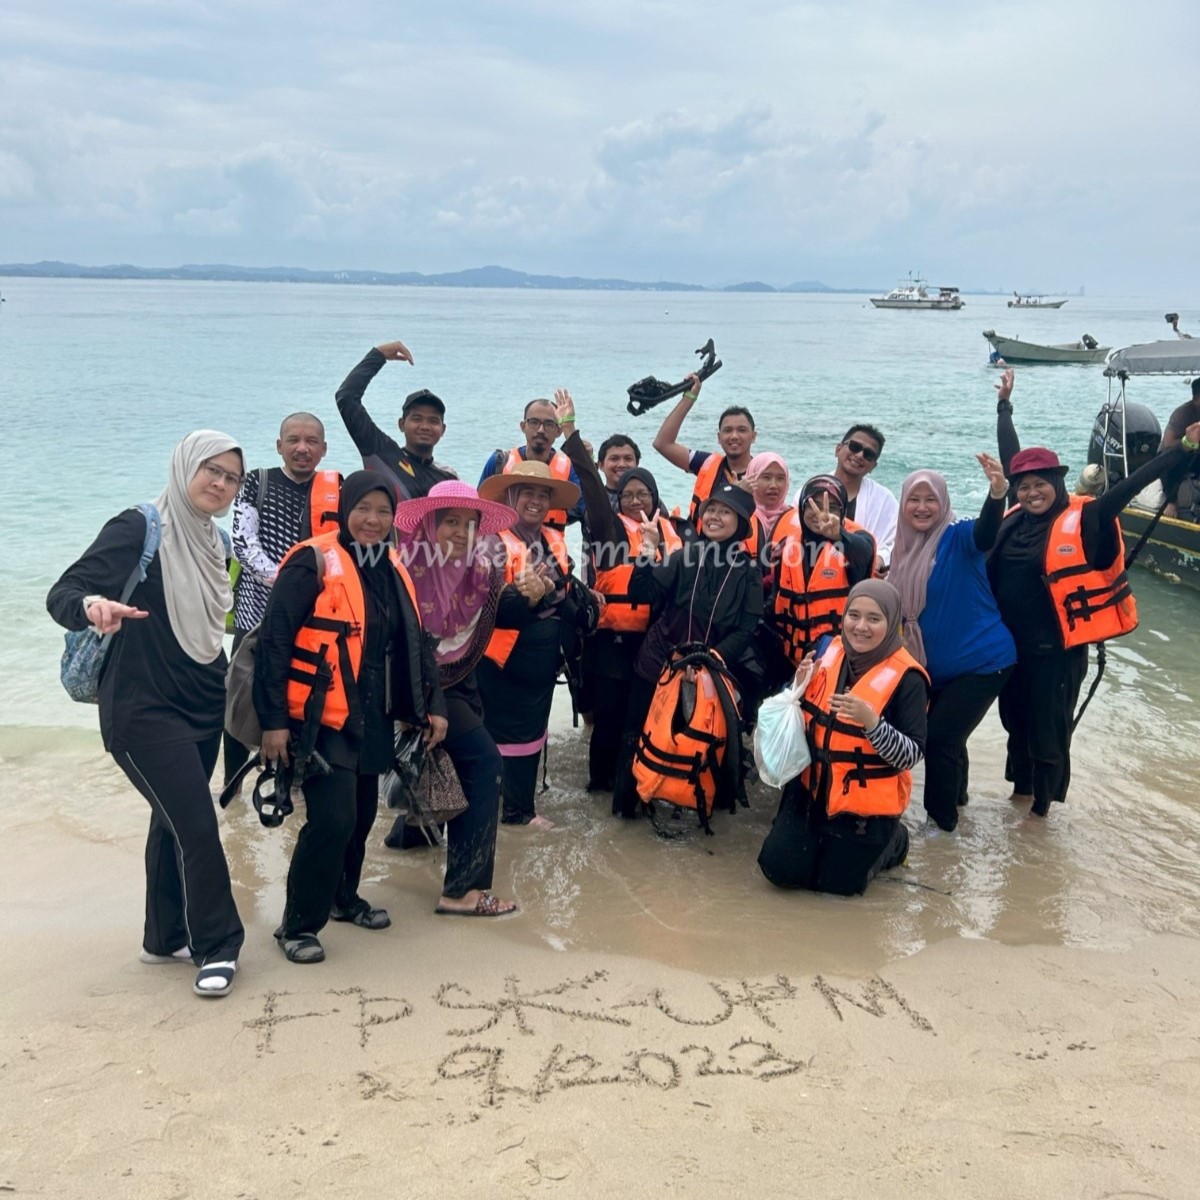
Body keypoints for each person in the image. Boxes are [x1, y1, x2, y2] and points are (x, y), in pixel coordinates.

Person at [47, 431, 247, 999]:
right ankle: (219, 944)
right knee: (198, 824)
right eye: (210, 469)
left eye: (231, 477)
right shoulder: (140, 526)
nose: (220, 483)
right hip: (141, 710)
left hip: (202, 704)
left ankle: (163, 939)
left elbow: (214, 627)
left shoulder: (218, 545)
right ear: (185, 466)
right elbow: (64, 591)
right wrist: (92, 607)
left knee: (171, 821)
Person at [253, 471, 447, 963]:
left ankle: (344, 898)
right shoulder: (311, 562)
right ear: (345, 509)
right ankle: (297, 925)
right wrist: (273, 722)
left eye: (384, 512)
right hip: (320, 717)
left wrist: (432, 706)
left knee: (360, 818)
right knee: (333, 820)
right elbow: (274, 643)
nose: (373, 520)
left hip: (373, 716)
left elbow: (416, 644)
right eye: (364, 509)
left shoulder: (392, 565)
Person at [991, 368, 1200, 817]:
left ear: (1059, 483)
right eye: (1024, 487)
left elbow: (1132, 484)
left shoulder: (1086, 520)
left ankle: (1040, 817)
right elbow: (1012, 454)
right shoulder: (1015, 518)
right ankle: (1020, 796)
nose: (1031, 493)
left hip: (1058, 651)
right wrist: (1004, 405)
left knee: (1048, 734)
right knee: (1016, 724)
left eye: (1040, 484)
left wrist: (1182, 449)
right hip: (1013, 650)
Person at [392, 482, 519, 916]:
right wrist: (428, 705)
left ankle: (404, 836)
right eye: (450, 521)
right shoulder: (406, 569)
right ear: (429, 524)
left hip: (457, 682)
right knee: (484, 764)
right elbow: (407, 644)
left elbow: (497, 616)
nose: (462, 532)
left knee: (433, 762)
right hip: (416, 684)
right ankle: (463, 891)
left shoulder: (482, 570)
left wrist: (542, 592)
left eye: (471, 524)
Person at [757, 580, 929, 897]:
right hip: (811, 792)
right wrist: (795, 686)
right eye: (854, 615)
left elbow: (911, 755)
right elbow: (789, 712)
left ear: (891, 624)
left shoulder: (909, 679)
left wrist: (873, 724)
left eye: (874, 619)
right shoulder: (827, 650)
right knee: (778, 872)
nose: (861, 627)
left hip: (863, 811)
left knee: (837, 890)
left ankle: (896, 841)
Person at [611, 481, 764, 818]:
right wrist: (647, 551)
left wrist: (712, 660)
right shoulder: (683, 557)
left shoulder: (749, 573)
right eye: (711, 509)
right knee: (638, 734)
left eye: (725, 512)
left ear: (741, 524)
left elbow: (747, 627)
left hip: (713, 668)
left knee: (710, 743)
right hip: (660, 662)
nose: (715, 516)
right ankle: (626, 809)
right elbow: (642, 593)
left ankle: (709, 809)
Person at [554, 391, 682, 793]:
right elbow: (591, 484)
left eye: (643, 493)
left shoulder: (673, 533)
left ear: (655, 497)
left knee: (643, 718)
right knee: (607, 720)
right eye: (628, 495)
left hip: (653, 641)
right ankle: (599, 788)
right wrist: (570, 430)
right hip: (611, 639)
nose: (636, 500)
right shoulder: (608, 527)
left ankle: (637, 786)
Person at [888, 457, 1017, 832]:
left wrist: (997, 495)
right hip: (936, 668)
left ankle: (941, 827)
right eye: (914, 500)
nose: (923, 508)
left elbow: (986, 534)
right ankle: (959, 802)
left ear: (943, 503)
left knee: (939, 737)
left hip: (983, 661)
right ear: (903, 505)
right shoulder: (901, 549)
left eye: (931, 500)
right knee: (952, 738)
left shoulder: (959, 537)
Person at [224, 412, 340, 789]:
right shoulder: (257, 482)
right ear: (279, 445)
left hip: (314, 620)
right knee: (240, 700)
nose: (301, 448)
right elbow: (242, 543)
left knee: (304, 701)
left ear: (324, 449)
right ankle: (232, 785)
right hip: (256, 613)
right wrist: (289, 586)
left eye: (311, 441)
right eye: (293, 440)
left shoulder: (335, 488)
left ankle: (292, 782)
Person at [477, 461, 584, 827]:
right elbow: (485, 604)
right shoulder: (492, 541)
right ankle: (518, 814)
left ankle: (514, 803)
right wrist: (524, 596)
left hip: (542, 660)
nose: (536, 501)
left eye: (543, 494)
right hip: (502, 661)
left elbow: (565, 588)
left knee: (531, 733)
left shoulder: (553, 539)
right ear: (510, 497)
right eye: (527, 493)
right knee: (507, 734)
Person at [764, 474, 875, 678]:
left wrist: (837, 535)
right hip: (790, 660)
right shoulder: (785, 547)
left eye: (832, 507)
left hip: (836, 661)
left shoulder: (856, 542)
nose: (821, 514)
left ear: (842, 512)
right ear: (802, 508)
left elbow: (864, 553)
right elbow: (774, 600)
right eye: (812, 505)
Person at [335, 338, 457, 500]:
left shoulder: (448, 479)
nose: (425, 426)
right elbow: (346, 398)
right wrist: (378, 356)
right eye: (417, 418)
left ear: (443, 430)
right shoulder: (382, 452)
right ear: (401, 424)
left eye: (433, 421)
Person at [651, 372, 757, 524]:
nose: (734, 436)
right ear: (719, 438)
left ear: (753, 436)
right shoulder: (707, 463)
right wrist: (689, 397)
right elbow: (663, 443)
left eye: (742, 430)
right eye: (727, 430)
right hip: (702, 545)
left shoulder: (763, 473)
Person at [477, 399, 586, 532]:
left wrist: (586, 459)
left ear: (559, 431)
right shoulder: (499, 462)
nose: (541, 430)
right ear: (523, 426)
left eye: (549, 424)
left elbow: (587, 511)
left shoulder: (569, 468)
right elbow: (478, 510)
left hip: (551, 549)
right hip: (503, 549)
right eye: (534, 422)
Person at [817, 424, 898, 572]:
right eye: (854, 447)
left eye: (869, 454)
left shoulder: (884, 500)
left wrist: (879, 558)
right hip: (816, 576)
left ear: (873, 466)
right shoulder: (813, 490)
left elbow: (892, 542)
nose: (860, 455)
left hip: (861, 579)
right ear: (838, 449)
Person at [1162, 378, 1200, 520]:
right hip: (1177, 454)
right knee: (1172, 458)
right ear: (1196, 398)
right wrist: (1190, 441)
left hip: (1196, 455)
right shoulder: (1182, 414)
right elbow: (1168, 443)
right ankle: (1171, 502)